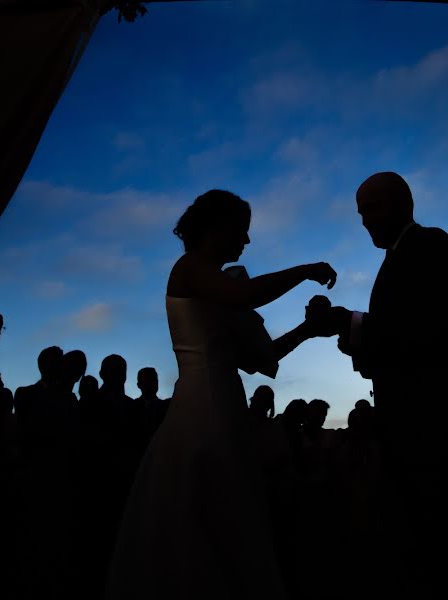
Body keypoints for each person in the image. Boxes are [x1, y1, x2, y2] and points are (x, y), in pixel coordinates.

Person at [106, 189, 337, 600]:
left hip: (224, 401)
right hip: (204, 407)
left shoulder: (216, 284)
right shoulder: (191, 268)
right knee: (211, 512)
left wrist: (307, 331)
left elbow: (258, 359)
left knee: (227, 514)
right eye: (241, 231)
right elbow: (244, 296)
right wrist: (305, 270)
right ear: (217, 226)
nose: (246, 242)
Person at [306, 171, 448, 597]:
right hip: (413, 427)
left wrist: (346, 323)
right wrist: (345, 331)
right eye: (360, 213)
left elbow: (434, 331)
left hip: (439, 426)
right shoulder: (396, 259)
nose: (365, 221)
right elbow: (394, 344)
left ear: (404, 203)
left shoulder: (431, 244)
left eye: (372, 209)